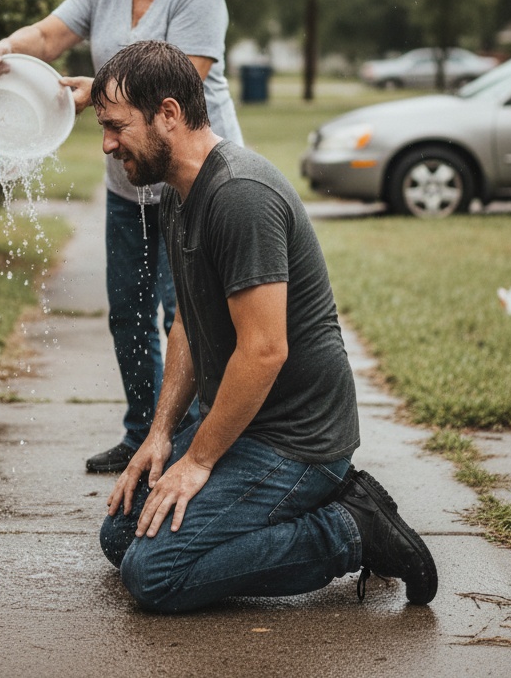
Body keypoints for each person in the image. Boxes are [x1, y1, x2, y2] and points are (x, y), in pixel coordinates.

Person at [93, 40, 438, 613]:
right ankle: (292, 514)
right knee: (120, 535)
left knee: (153, 576)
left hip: (297, 440)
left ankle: (352, 529)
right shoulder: (179, 189)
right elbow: (186, 323)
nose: (107, 144)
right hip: (243, 421)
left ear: (169, 115)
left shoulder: (239, 194)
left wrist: (198, 460)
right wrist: (160, 434)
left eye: (116, 126)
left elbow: (263, 351)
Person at [0, 0, 242, 474]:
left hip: (188, 182)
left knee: (188, 315)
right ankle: (140, 433)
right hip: (129, 183)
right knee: (128, 309)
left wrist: (96, 91)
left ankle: (191, 439)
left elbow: (180, 82)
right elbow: (48, 35)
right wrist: (7, 51)